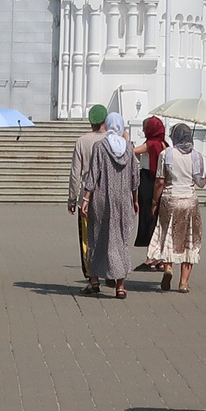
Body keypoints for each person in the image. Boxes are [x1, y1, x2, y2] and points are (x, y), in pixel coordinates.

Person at [76, 109, 137, 296]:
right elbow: (135, 177)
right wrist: (135, 200)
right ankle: (120, 286)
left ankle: (94, 280)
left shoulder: (100, 147)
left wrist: (85, 198)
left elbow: (93, 176)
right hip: (123, 199)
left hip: (101, 199)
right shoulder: (129, 148)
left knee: (96, 237)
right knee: (121, 239)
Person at [149, 122, 206, 290]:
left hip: (170, 198)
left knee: (168, 234)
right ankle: (184, 282)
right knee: (189, 238)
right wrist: (204, 179)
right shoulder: (196, 156)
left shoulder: (166, 154)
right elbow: (200, 182)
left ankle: (168, 267)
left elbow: (160, 181)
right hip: (189, 200)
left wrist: (154, 202)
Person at [69, 104, 109, 276]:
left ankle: (92, 276)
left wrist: (72, 198)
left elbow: (75, 174)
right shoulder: (113, 140)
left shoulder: (82, 141)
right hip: (107, 195)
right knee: (107, 236)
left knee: (87, 239)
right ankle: (109, 271)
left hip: (86, 197)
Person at [135, 114, 167, 260]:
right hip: (161, 182)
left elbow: (134, 151)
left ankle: (151, 256)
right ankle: (160, 256)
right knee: (159, 219)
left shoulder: (150, 144)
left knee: (148, 217)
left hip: (148, 181)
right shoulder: (164, 144)